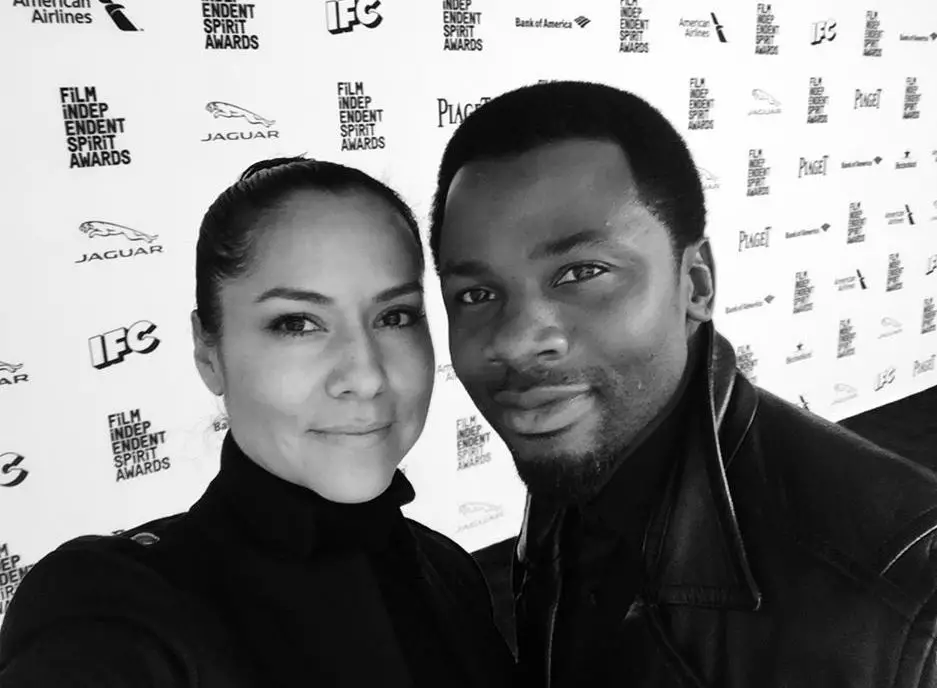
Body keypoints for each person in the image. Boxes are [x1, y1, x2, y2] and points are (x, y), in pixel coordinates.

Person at [428, 80, 937, 687]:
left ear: (695, 284)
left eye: (581, 272)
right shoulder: (586, 445)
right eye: (477, 294)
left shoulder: (909, 607)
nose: (514, 341)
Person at [0, 157, 516, 688]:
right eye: (297, 323)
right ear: (209, 352)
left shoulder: (446, 569)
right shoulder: (115, 604)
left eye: (395, 316)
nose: (364, 375)